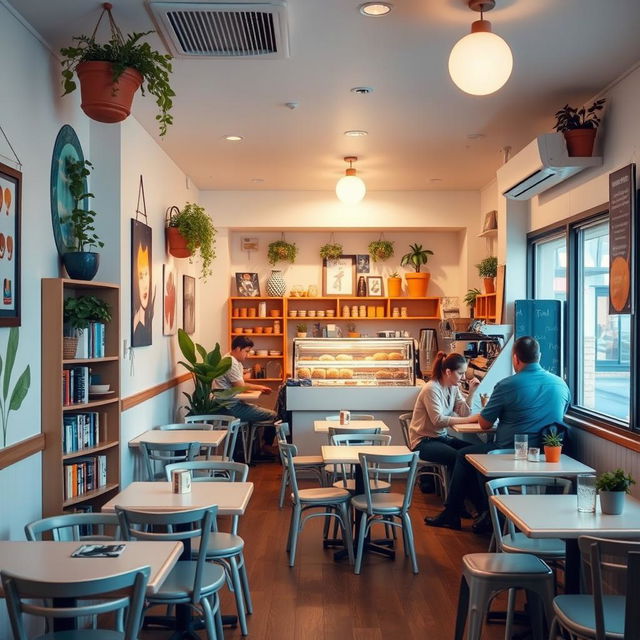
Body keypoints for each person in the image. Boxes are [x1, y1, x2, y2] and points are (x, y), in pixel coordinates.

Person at [426, 336, 571, 532]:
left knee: (464, 456)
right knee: (471, 455)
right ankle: (484, 514)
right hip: (548, 455)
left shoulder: (507, 385)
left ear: (515, 359)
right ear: (539, 357)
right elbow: (560, 415)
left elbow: (485, 424)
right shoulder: (560, 384)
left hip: (509, 452)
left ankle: (459, 513)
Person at [409, 352, 480, 491]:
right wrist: (470, 420)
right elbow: (438, 420)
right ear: (448, 372)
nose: (464, 377)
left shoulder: (453, 387)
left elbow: (463, 412)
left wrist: (472, 392)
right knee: (457, 457)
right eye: (460, 373)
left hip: (441, 438)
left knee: (472, 453)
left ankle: (471, 502)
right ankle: (456, 503)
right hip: (423, 441)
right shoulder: (431, 389)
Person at [214, 335, 278, 457]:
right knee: (274, 415)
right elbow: (240, 386)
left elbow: (240, 384)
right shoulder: (230, 363)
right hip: (229, 407)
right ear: (238, 348)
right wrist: (260, 388)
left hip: (231, 403)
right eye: (246, 351)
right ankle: (265, 447)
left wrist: (259, 388)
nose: (247, 355)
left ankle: (254, 450)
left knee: (258, 408)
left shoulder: (232, 360)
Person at [132, 239, 154, 347]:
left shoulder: (148, 319)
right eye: (141, 276)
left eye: (146, 275)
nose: (145, 283)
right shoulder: (135, 322)